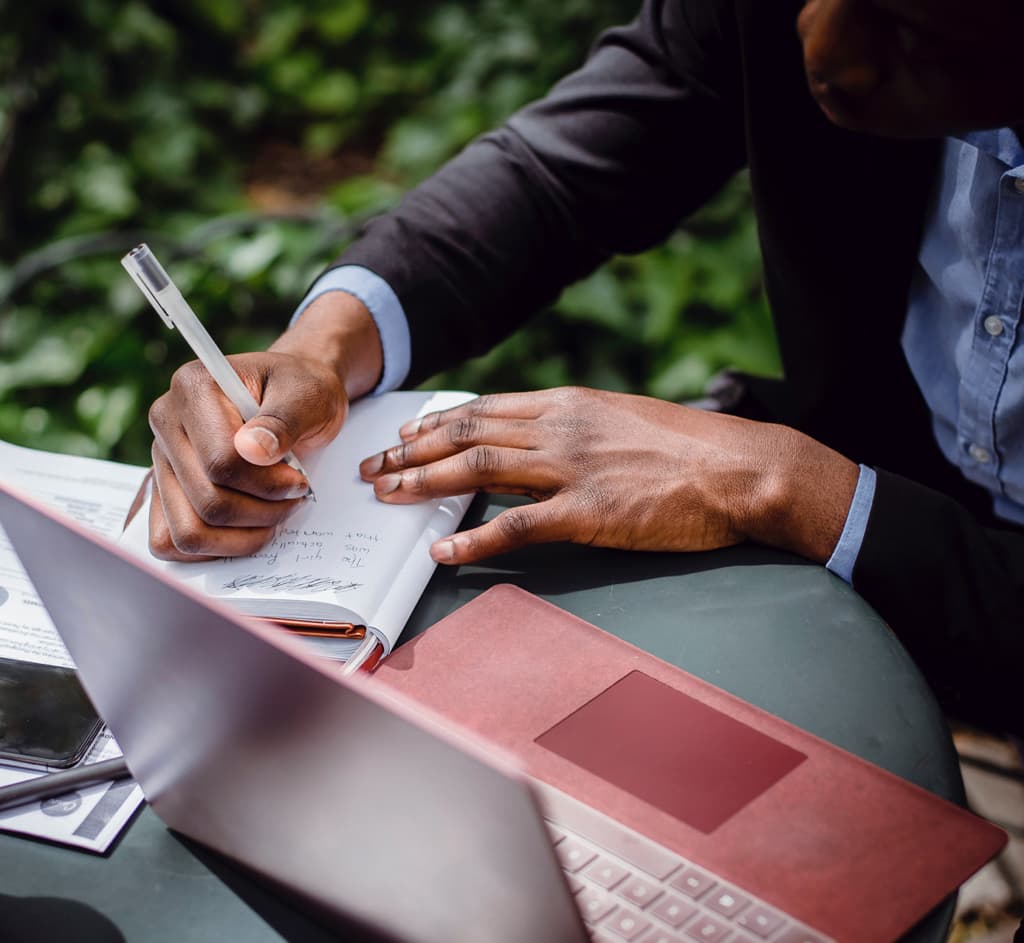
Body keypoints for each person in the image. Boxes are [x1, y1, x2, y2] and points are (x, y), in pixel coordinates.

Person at [143, 0, 1024, 739]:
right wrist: (322, 349)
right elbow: (560, 175)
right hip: (873, 528)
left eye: (910, 24)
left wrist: (789, 484)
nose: (826, 54)